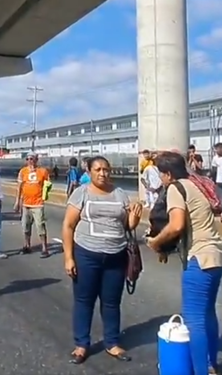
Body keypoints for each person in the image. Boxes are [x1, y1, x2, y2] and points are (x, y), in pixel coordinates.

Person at [146, 152, 222, 375]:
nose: (161, 179)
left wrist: (155, 242)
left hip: (199, 257)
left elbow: (176, 226)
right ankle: (210, 365)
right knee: (207, 313)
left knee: (194, 320)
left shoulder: (175, 188)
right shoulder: (196, 184)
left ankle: (202, 371)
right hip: (216, 255)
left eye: (161, 174)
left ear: (167, 174)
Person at [62, 156, 140, 364]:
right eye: (97, 170)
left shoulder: (119, 194)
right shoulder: (82, 193)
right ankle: (81, 344)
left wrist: (134, 218)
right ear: (89, 172)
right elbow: (68, 226)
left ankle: (112, 343)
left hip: (116, 255)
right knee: (84, 301)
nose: (102, 173)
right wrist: (69, 258)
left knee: (112, 302)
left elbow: (126, 225)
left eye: (106, 169)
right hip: (86, 254)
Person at [15, 153, 52, 258]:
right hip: (26, 204)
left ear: (36, 160)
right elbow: (19, 187)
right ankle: (27, 245)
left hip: (38, 204)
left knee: (40, 225)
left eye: (32, 159)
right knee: (25, 226)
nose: (30, 161)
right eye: (28, 159)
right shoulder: (23, 171)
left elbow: (48, 184)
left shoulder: (42, 171)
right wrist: (17, 202)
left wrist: (45, 195)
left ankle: (44, 248)